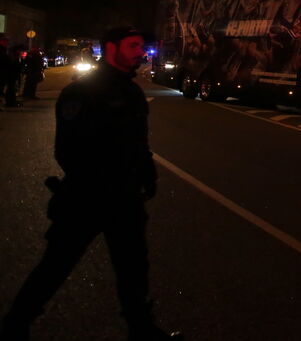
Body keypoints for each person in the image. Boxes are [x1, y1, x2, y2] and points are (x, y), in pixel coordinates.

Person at [0, 28, 183, 340]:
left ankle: (140, 327)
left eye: (141, 45)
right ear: (112, 48)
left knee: (133, 266)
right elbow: (68, 150)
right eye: (134, 46)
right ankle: (16, 324)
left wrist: (145, 173)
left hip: (125, 198)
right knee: (56, 265)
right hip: (87, 198)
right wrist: (100, 183)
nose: (141, 52)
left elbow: (137, 141)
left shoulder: (131, 91)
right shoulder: (83, 91)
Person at [0, 34, 21, 108]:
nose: (7, 43)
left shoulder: (5, 50)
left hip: (6, 73)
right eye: (5, 41)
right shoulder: (2, 50)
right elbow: (5, 61)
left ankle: (10, 101)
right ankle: (9, 102)